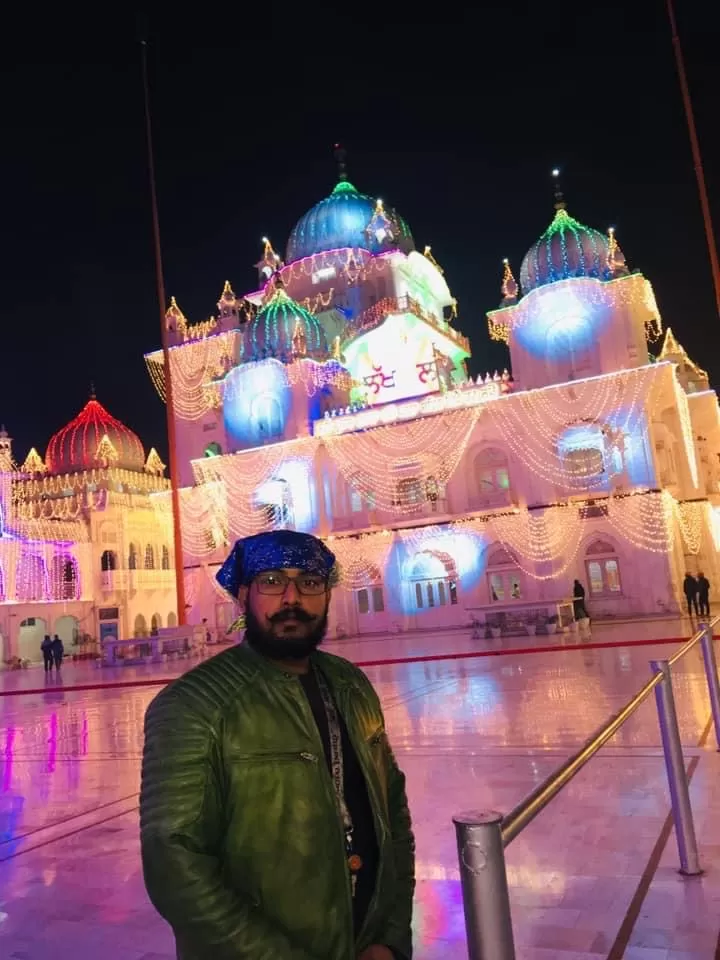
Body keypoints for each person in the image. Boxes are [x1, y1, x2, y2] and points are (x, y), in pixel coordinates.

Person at [140, 530, 414, 960]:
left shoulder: (351, 686)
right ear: (244, 594)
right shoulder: (196, 705)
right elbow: (175, 864)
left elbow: (393, 818)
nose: (292, 599)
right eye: (271, 582)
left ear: (325, 594)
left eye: (309, 582)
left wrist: (391, 939)